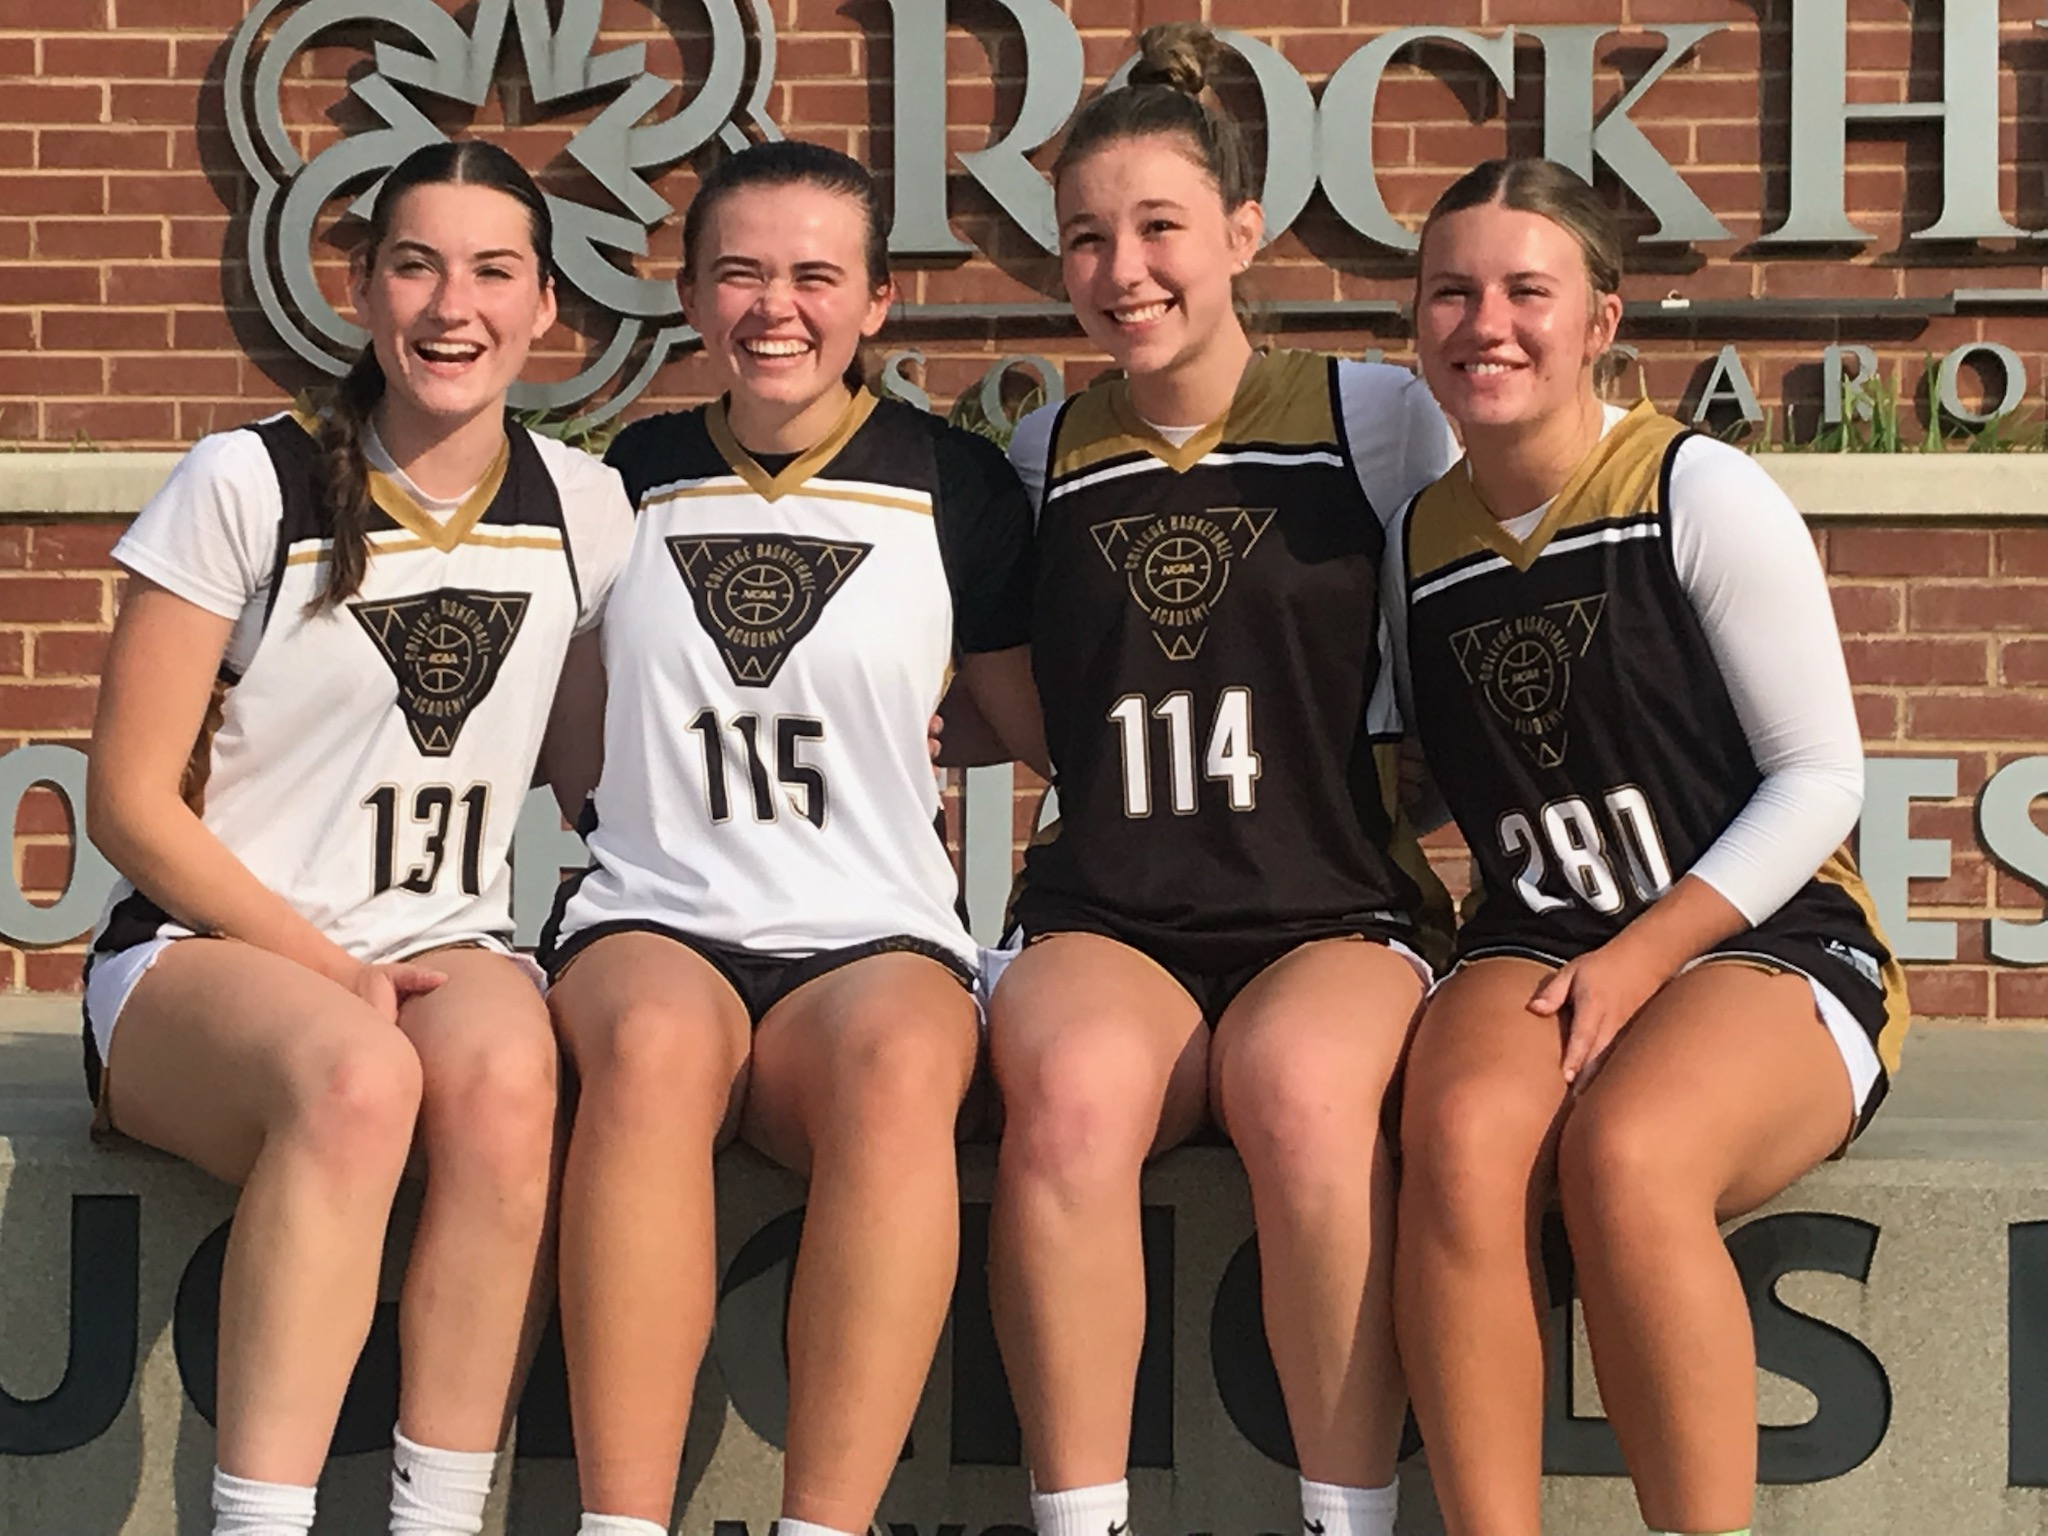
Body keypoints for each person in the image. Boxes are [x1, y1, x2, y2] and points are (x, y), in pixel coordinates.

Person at [82, 139, 634, 1536]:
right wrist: (326, 969)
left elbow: (597, 777)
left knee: (514, 1077)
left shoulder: (585, 510)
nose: (455, 305)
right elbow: (131, 802)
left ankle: (434, 1518)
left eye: (494, 271)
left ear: (546, 312)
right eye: (416, 264)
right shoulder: (243, 482)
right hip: (208, 964)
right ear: (361, 294)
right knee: (358, 1082)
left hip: (442, 950)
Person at [1388, 157, 1910, 1536]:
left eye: (1525, 291)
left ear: (1601, 320)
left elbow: (1819, 781)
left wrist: (1645, 955)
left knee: (1625, 1157)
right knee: (1454, 1137)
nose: (1484, 321)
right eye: (1451, 291)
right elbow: (1438, 783)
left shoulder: (1698, 488)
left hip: (1764, 934)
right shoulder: (1417, 543)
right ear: (1416, 322)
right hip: (1542, 929)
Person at [984, 26, 1459, 1536]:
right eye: (1087, 239)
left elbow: (1455, 652)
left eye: (1160, 229)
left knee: (1308, 1101)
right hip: (1112, 910)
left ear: (1243, 234)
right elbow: (1023, 697)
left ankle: (1349, 1516)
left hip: (1331, 906)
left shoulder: (1375, 418)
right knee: (1062, 1109)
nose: (1124, 269)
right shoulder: (1040, 448)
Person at [537, 139, 1043, 1536]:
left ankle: (827, 1524)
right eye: (742, 273)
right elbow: (556, 706)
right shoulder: (615, 485)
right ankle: (622, 1523)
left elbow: (1030, 721)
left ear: (877, 302)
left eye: (818, 275)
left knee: (896, 1072)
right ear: (694, 298)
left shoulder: (957, 484)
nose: (779, 307)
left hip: (873, 934)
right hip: (659, 917)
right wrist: (614, 810)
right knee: (645, 1052)